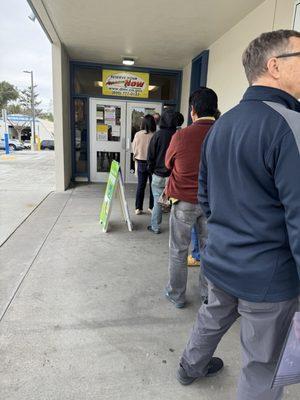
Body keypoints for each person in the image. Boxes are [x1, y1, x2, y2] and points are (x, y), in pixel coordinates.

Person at [176, 30, 300, 400]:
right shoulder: (290, 126)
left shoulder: (222, 125)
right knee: (262, 365)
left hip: (221, 260)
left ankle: (188, 368)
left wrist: (224, 236)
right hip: (268, 278)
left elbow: (205, 196)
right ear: (274, 66)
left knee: (211, 319)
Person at [164, 88, 217, 308]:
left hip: (183, 201)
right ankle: (207, 295)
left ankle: (176, 296)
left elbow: (168, 164)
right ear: (214, 109)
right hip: (212, 204)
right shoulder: (223, 133)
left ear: (192, 111)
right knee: (208, 251)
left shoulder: (181, 135)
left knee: (178, 250)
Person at [147, 109, 177, 233]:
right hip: (172, 176)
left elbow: (150, 156)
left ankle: (155, 227)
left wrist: (151, 169)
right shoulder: (178, 135)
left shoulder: (157, 135)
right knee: (175, 203)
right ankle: (176, 229)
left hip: (158, 175)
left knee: (157, 202)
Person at [132, 114, 156, 215]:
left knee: (140, 186)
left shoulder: (138, 134)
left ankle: (138, 208)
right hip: (152, 163)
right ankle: (151, 207)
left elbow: (134, 148)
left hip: (141, 162)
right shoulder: (155, 135)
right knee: (152, 186)